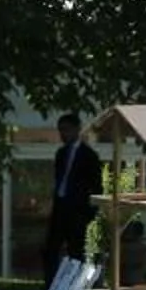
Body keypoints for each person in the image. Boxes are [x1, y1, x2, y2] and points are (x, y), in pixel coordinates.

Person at [42, 111, 103, 273]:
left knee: (76, 252)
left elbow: (97, 187)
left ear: (77, 130)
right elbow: (60, 180)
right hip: (60, 208)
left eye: (66, 130)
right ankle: (51, 285)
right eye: (61, 130)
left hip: (77, 212)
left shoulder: (89, 156)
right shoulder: (61, 153)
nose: (63, 134)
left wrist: (88, 215)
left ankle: (73, 284)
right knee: (50, 249)